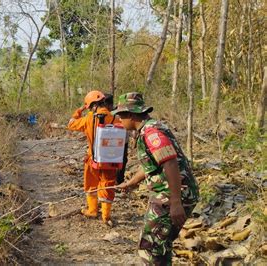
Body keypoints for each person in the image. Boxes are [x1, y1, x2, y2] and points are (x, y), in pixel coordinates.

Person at [112, 92, 199, 265]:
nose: (119, 121)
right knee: (159, 244)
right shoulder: (149, 128)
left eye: (121, 116)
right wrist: (130, 183)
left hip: (171, 195)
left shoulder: (151, 133)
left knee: (150, 247)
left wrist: (175, 202)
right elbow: (151, 165)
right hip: (170, 194)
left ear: (130, 114)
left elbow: (170, 163)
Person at [67, 90, 121, 225]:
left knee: (91, 184)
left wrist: (80, 110)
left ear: (91, 105)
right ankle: (106, 216)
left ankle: (92, 210)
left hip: (93, 160)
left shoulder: (88, 119)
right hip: (111, 160)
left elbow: (71, 123)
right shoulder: (115, 118)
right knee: (107, 185)